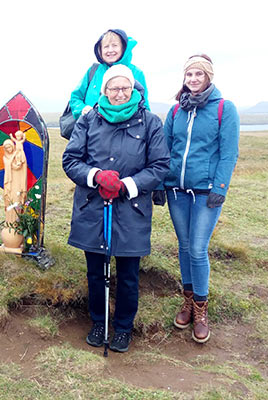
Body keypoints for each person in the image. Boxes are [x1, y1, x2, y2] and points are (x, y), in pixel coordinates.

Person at [63, 65, 169, 353]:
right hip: (93, 206)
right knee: (95, 271)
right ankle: (99, 322)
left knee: (128, 273)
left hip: (131, 208)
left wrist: (127, 185)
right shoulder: (88, 120)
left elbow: (160, 166)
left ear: (134, 89)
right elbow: (71, 160)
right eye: (114, 88)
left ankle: (123, 327)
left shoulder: (149, 122)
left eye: (125, 88)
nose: (120, 93)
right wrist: (96, 176)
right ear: (104, 91)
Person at [153, 54, 239, 344]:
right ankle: (187, 302)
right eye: (189, 74)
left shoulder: (224, 109)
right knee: (185, 246)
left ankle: (201, 310)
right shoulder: (177, 110)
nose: (193, 79)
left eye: (198, 75)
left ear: (208, 77)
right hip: (177, 191)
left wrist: (221, 187)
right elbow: (165, 149)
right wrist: (161, 182)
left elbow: (228, 152)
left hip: (206, 193)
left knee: (199, 249)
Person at [68, 29, 150, 119]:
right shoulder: (93, 71)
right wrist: (82, 109)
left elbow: (144, 105)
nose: (110, 50)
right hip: (91, 128)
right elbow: (75, 98)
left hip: (126, 130)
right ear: (100, 50)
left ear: (123, 48)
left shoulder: (136, 73)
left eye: (114, 45)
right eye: (106, 47)